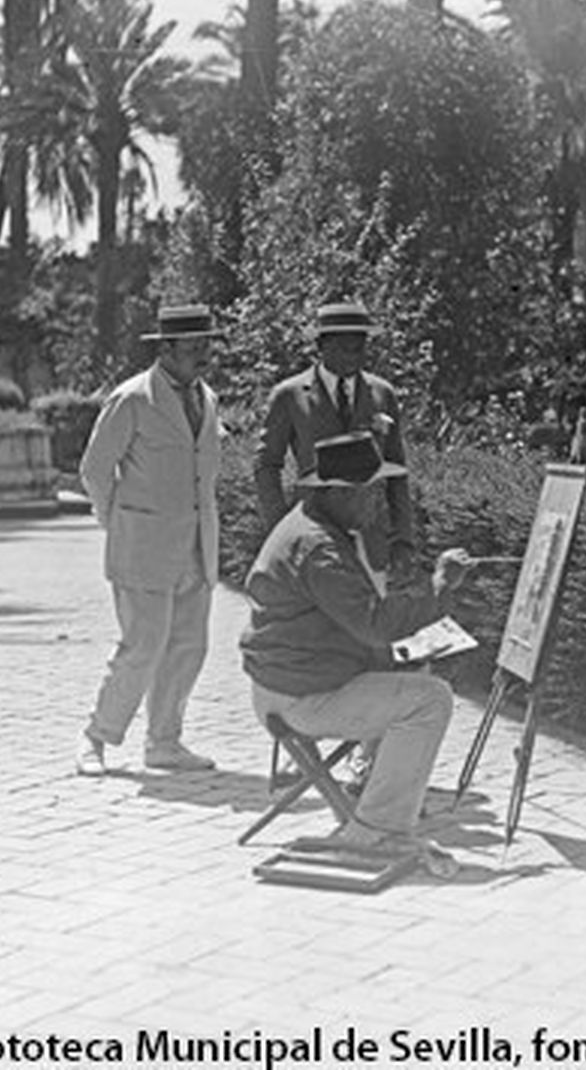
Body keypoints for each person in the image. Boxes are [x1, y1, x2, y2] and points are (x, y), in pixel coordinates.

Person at [239, 431, 474, 847]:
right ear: (340, 494)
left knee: (412, 673)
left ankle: (369, 810)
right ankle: (375, 830)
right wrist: (439, 587)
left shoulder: (310, 526)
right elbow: (374, 624)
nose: (377, 503)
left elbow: (355, 622)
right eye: (370, 493)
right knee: (430, 700)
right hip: (298, 698)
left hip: (290, 683)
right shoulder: (318, 547)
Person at [74, 304, 228, 776]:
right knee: (142, 646)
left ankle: (165, 742)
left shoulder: (208, 399)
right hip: (142, 545)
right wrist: (118, 521)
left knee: (188, 647)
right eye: (193, 346)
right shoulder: (132, 398)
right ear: (166, 349)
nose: (203, 355)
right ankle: (96, 739)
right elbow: (95, 471)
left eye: (207, 345)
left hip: (196, 546)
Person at [253, 300, 417, 585]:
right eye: (345, 347)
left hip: (370, 538)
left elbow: (398, 472)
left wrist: (403, 540)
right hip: (312, 533)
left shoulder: (382, 393)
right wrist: (280, 527)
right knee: (315, 624)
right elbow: (266, 464)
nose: (354, 356)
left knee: (369, 623)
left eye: (361, 347)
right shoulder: (290, 395)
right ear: (322, 346)